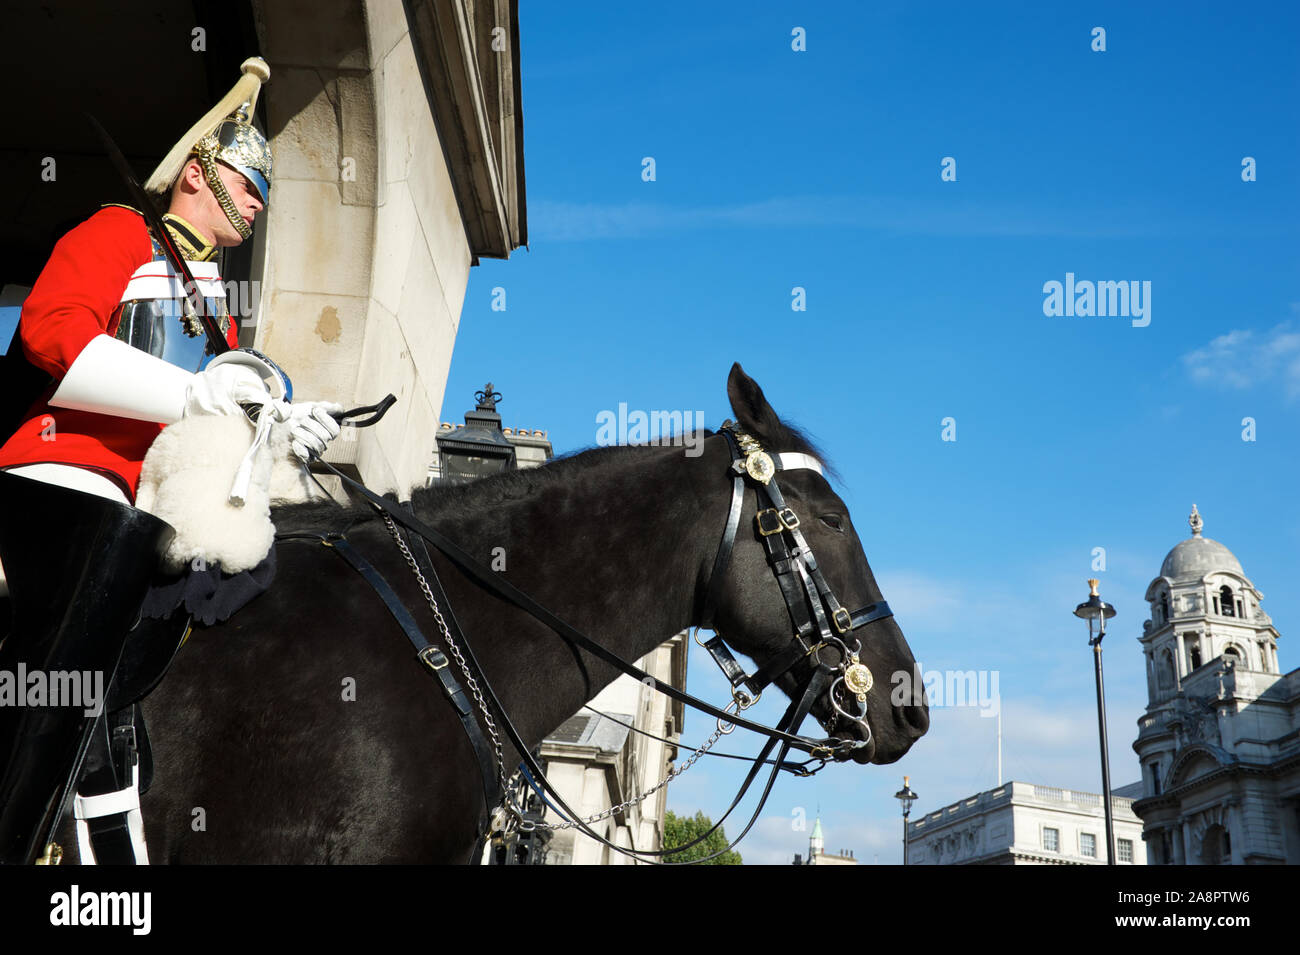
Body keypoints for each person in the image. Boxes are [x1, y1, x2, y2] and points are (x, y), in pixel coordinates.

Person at [0, 57, 341, 864]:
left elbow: (227, 417)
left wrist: (282, 431)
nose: (258, 204)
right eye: (248, 183)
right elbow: (53, 334)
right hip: (65, 469)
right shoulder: (118, 231)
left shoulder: (219, 309)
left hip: (150, 500)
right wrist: (194, 398)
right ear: (197, 173)